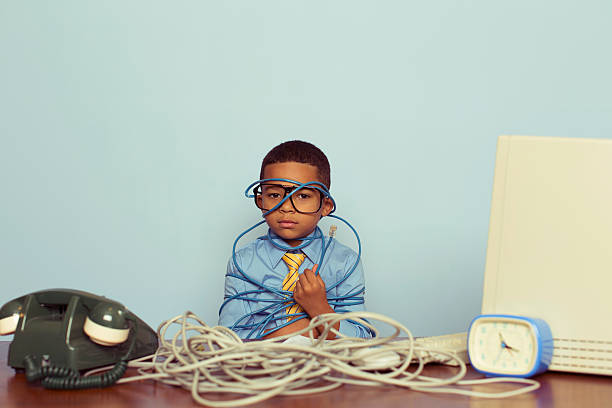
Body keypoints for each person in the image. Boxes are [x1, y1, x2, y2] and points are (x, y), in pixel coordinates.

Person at [218, 140, 371, 339]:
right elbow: (227, 338)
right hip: (261, 367)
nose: (287, 207)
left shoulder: (345, 262)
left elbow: (364, 338)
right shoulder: (243, 263)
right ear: (260, 201)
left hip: (327, 367)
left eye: (303, 196)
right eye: (274, 194)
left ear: (326, 206)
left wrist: (320, 309)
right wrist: (292, 332)